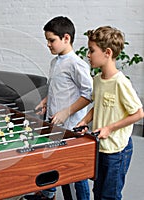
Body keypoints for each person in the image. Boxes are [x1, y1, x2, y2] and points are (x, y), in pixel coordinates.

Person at [21, 16, 93, 200]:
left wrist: (66, 111)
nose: (48, 44)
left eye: (51, 40)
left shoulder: (77, 64)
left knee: (77, 171)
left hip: (72, 126)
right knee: (49, 158)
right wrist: (45, 101)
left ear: (66, 38)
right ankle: (48, 193)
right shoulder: (55, 62)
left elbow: (89, 94)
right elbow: (58, 88)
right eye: (47, 40)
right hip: (54, 122)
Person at [77, 26, 143, 200]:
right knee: (98, 192)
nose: (88, 55)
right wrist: (84, 121)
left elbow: (138, 114)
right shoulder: (97, 80)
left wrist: (110, 128)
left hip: (117, 151)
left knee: (110, 195)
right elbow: (97, 105)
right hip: (101, 147)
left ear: (107, 52)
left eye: (92, 50)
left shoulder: (121, 83)